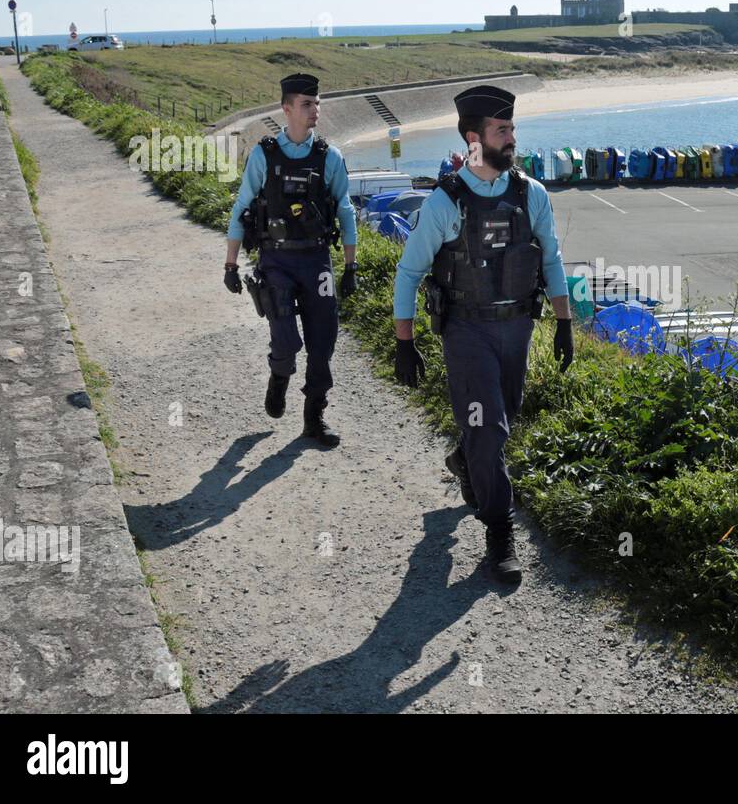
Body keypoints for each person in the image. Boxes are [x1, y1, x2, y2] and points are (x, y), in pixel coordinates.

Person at [392, 84, 573, 583]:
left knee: (499, 423)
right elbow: (409, 274)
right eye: (502, 130)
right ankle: (499, 533)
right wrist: (403, 342)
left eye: (513, 128)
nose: (512, 138)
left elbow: (552, 258)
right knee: (490, 431)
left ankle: (465, 460)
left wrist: (564, 323)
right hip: (466, 332)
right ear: (474, 139)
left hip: (516, 328)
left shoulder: (529, 193)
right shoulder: (445, 202)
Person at [223, 73, 359, 448]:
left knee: (322, 342)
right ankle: (279, 376)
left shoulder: (329, 157)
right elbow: (242, 207)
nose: (315, 110)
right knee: (286, 341)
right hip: (276, 261)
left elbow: (345, 211)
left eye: (317, 103)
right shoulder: (263, 155)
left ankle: (314, 417)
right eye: (306, 104)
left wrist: (350, 266)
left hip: (317, 261)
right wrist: (230, 265)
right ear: (286, 109)